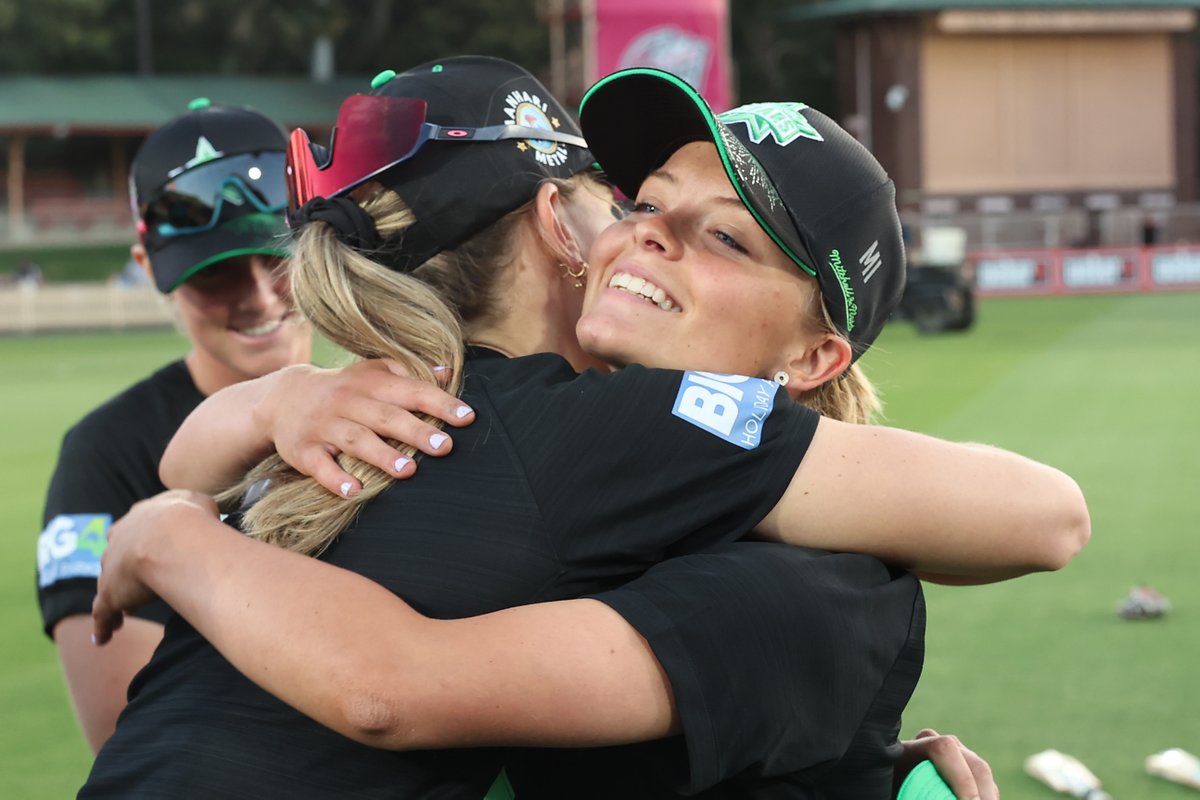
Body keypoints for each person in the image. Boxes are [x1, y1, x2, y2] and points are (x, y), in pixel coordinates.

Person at [84, 61, 1085, 798]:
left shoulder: (784, 549)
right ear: (564, 232)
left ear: (819, 356)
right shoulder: (479, 418)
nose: (645, 229)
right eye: (643, 202)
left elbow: (1050, 516)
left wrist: (170, 527)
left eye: (727, 235)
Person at [34, 98, 313, 753]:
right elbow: (125, 727)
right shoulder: (104, 452)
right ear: (145, 267)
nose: (260, 296)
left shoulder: (378, 398)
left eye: (275, 255)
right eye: (214, 272)